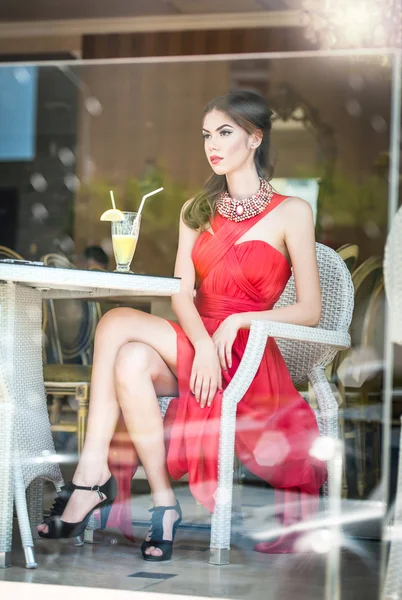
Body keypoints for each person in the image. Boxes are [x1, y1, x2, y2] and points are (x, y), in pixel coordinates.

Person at [38, 90, 327, 560]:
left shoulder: (293, 211)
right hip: (198, 343)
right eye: (207, 135)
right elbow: (180, 291)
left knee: (115, 322)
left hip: (247, 354)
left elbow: (309, 309)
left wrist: (239, 323)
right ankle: (164, 503)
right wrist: (204, 343)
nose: (212, 144)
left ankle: (90, 479)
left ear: (255, 139)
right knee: (130, 357)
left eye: (225, 133)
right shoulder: (196, 209)